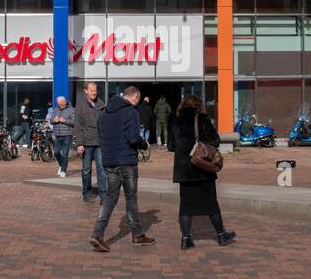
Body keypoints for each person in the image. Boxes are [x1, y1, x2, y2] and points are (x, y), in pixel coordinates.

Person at [90, 85, 155, 253]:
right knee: (131, 198)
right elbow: (133, 138)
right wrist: (144, 143)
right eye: (137, 101)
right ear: (134, 98)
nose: (136, 104)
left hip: (109, 162)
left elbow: (101, 137)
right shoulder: (131, 112)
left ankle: (98, 233)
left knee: (111, 197)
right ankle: (138, 234)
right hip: (126, 161)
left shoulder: (103, 113)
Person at [167, 94, 235, 249]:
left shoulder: (175, 121)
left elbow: (171, 146)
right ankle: (221, 235)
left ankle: (185, 239)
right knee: (211, 203)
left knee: (186, 206)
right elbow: (216, 141)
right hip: (203, 168)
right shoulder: (203, 119)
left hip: (184, 170)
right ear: (199, 105)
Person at [74, 81, 107, 203]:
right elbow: (78, 125)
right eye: (91, 90)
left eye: (95, 90)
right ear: (86, 91)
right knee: (86, 169)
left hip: (99, 142)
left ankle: (103, 195)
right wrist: (79, 143)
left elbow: (105, 123)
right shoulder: (81, 105)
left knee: (102, 168)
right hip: (86, 142)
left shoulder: (101, 104)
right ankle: (86, 193)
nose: (94, 92)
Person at [47, 95, 75, 177]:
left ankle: (63, 170)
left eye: (61, 104)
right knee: (56, 152)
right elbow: (51, 120)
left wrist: (64, 120)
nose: (60, 105)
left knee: (65, 153)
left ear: (65, 102)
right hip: (58, 134)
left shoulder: (71, 110)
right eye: (59, 104)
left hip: (67, 134)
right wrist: (54, 120)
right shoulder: (55, 109)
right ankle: (61, 165)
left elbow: (74, 122)